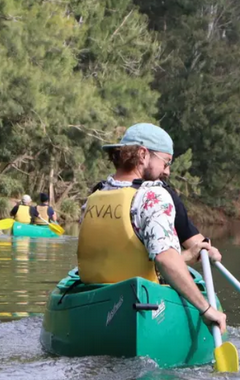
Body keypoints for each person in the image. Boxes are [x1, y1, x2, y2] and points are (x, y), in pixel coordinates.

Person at [77, 123, 227, 333]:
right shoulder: (153, 196)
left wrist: (185, 256)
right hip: (144, 305)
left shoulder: (94, 197)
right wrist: (206, 309)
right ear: (143, 154)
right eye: (166, 162)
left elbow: (119, 256)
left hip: (96, 306)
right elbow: (165, 259)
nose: (167, 171)